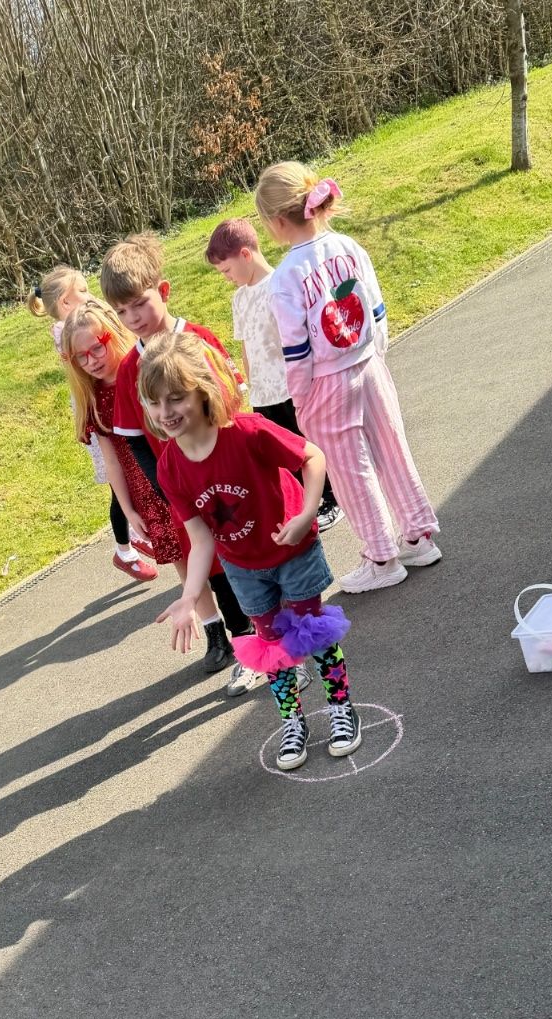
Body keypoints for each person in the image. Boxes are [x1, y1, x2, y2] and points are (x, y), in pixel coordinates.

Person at [143, 330, 362, 771]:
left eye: (176, 398)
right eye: (154, 402)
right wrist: (189, 595)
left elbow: (312, 457)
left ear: (202, 391)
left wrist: (308, 510)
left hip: (292, 550)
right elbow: (201, 538)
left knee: (313, 633)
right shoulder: (169, 467)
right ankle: (293, 721)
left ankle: (341, 707)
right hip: (244, 567)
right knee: (270, 647)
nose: (165, 412)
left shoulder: (246, 432)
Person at [257, 162, 442, 594]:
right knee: (392, 449)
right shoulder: (347, 246)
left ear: (277, 221)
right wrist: (375, 356)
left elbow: (297, 350)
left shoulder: (286, 277)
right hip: (369, 365)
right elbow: (377, 310)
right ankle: (418, 535)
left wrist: (301, 399)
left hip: (326, 381)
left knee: (349, 470)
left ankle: (381, 556)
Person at [99, 233, 255, 682]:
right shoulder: (129, 370)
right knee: (215, 568)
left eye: (140, 304)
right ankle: (244, 646)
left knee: (250, 554)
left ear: (163, 291)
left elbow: (233, 404)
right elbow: (134, 440)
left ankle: (275, 636)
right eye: (122, 311)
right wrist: (169, 491)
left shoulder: (198, 340)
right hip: (185, 492)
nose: (134, 318)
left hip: (228, 477)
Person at [61, 299, 228, 652]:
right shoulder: (93, 400)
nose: (93, 361)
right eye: (82, 357)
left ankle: (246, 615)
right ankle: (213, 629)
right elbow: (112, 462)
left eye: (97, 348)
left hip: (178, 472)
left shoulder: (144, 371)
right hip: (146, 491)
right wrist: (128, 510)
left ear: (112, 333)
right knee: (182, 558)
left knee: (216, 542)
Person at [204, 217, 341, 531]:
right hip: (263, 393)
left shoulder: (279, 285)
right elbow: (246, 346)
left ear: (245, 255)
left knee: (306, 445)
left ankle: (331, 498)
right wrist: (248, 385)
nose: (226, 278)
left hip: (290, 387)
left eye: (227, 270)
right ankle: (303, 504)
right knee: (282, 453)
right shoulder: (240, 298)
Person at [28, 266, 157, 583]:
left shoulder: (76, 328)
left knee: (127, 476)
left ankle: (129, 542)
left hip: (104, 411)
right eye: (83, 292)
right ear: (65, 302)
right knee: (119, 477)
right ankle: (127, 546)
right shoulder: (67, 330)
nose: (90, 296)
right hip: (100, 415)